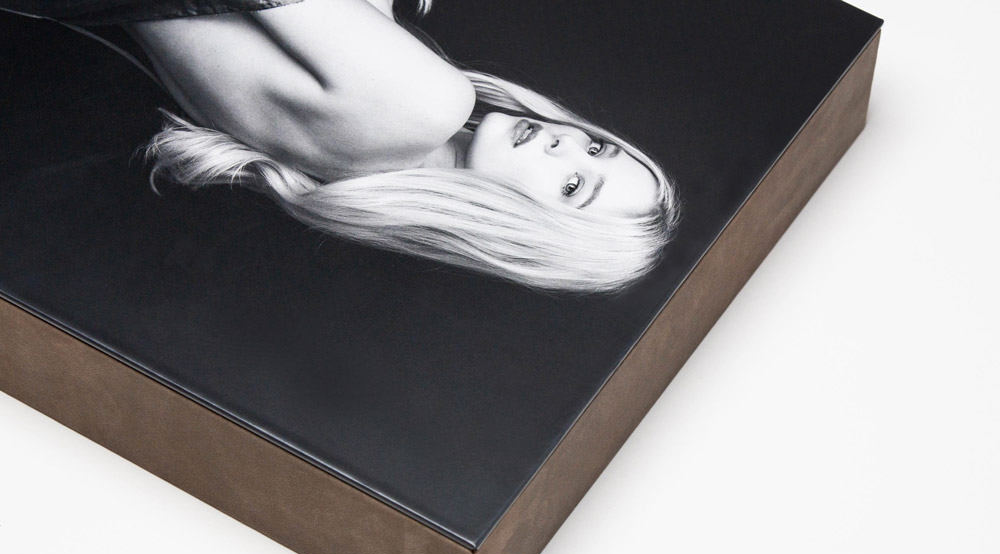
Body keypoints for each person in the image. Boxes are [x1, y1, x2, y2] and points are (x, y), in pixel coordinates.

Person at [3, 0, 681, 291]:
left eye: (573, 186)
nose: (567, 145)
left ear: (527, 233)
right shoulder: (355, 163)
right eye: (598, 148)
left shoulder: (430, 104)